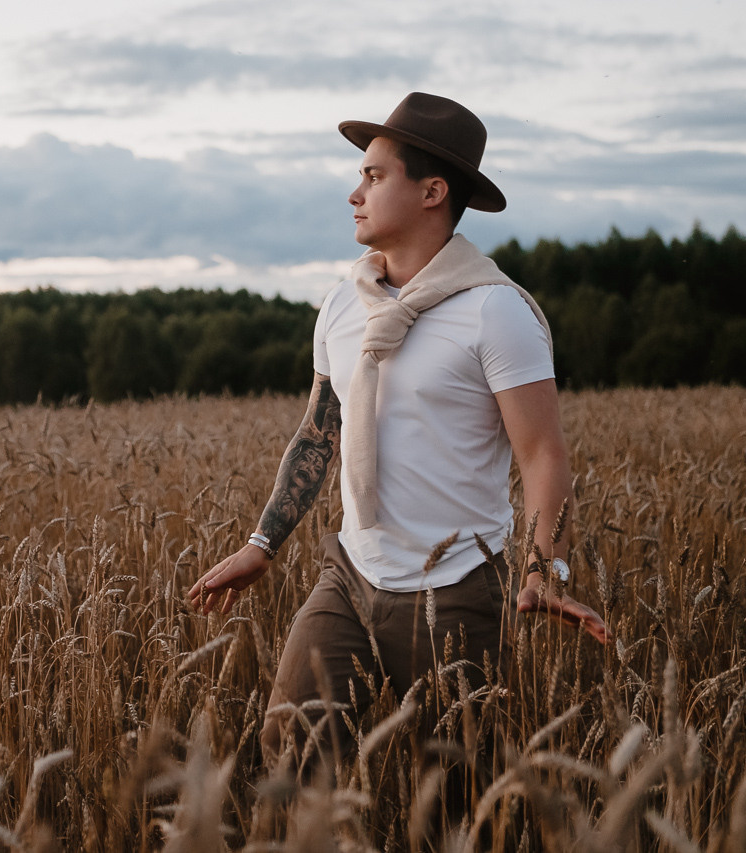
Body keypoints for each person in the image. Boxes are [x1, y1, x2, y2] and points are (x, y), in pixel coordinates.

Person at [185, 92, 612, 769]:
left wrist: (545, 567)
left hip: (460, 590)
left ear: (432, 191)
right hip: (350, 576)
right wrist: (262, 542)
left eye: (375, 176)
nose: (354, 192)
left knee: (463, 791)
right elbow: (319, 432)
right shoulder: (342, 304)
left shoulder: (495, 313)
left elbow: (543, 455)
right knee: (291, 755)